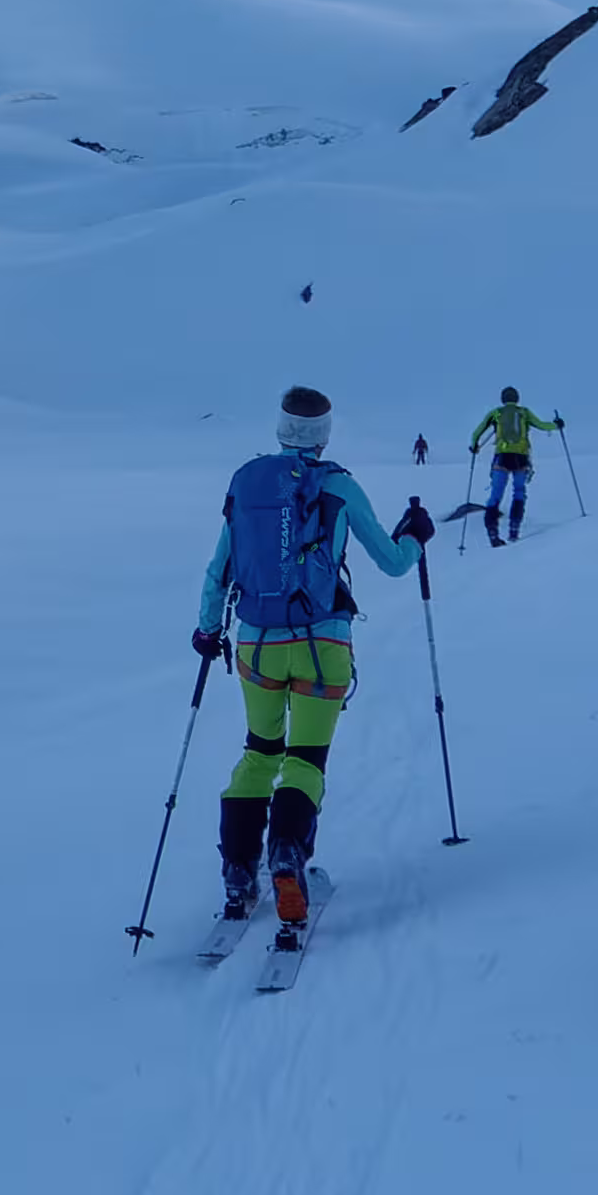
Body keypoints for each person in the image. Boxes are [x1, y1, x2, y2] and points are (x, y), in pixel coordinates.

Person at [189, 386, 439, 955]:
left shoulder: (247, 485)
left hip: (256, 646)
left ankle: (237, 873)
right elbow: (395, 562)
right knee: (304, 760)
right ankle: (286, 857)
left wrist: (208, 630)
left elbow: (218, 570)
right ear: (324, 433)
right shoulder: (340, 486)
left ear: (280, 430)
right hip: (323, 643)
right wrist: (416, 535)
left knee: (259, 753)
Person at [468, 389, 564, 543]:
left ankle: (492, 532)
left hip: (502, 458)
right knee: (519, 492)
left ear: (503, 399)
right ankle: (514, 530)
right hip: (521, 458)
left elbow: (476, 434)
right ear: (517, 399)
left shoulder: (496, 413)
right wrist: (556, 425)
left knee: (496, 495)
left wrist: (474, 446)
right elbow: (542, 425)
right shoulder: (524, 413)